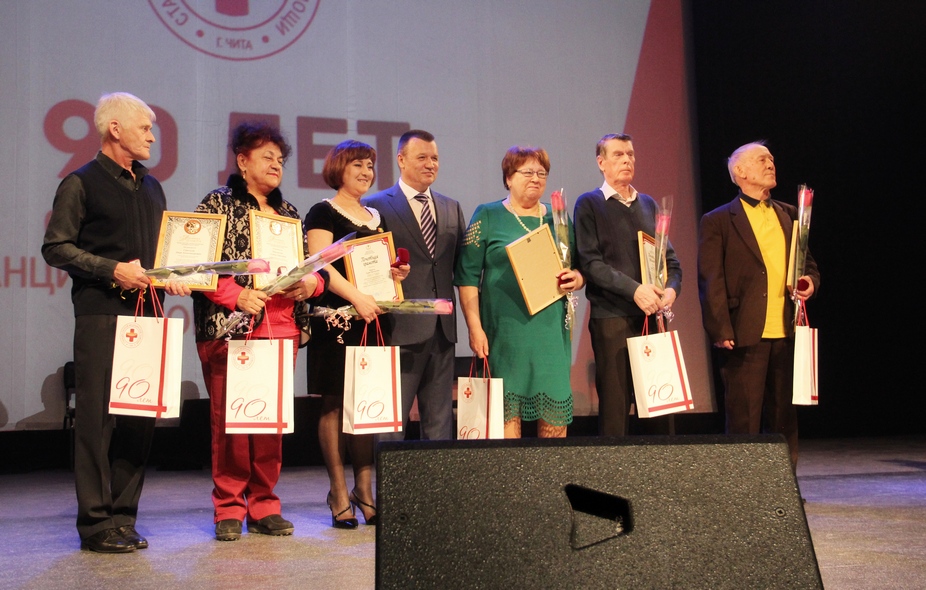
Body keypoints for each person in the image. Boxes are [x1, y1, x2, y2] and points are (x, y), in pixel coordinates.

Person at [42, 92, 190, 553]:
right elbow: (56, 247)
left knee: (138, 417)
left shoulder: (152, 186)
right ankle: (95, 523)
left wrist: (173, 276)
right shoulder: (80, 182)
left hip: (147, 313)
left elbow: (159, 253)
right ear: (114, 129)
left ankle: (124, 517)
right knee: (97, 420)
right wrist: (112, 269)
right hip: (101, 312)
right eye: (145, 127)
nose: (152, 136)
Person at [192, 122, 328, 541]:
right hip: (231, 330)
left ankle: (265, 504)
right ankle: (229, 507)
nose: (276, 165)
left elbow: (309, 269)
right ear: (242, 160)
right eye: (267, 157)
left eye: (280, 159)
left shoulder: (289, 214)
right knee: (232, 426)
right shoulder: (217, 203)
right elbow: (196, 264)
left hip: (281, 329)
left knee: (270, 425)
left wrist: (311, 284)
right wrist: (237, 296)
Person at [304, 140, 409, 527]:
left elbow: (380, 266)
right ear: (339, 169)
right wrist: (357, 298)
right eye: (357, 165)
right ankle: (337, 491)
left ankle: (364, 490)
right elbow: (320, 265)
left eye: (369, 165)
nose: (366, 172)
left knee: (365, 406)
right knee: (334, 404)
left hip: (373, 319)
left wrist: (396, 274)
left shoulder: (376, 216)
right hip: (336, 319)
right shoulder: (322, 211)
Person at [697, 141, 819, 466]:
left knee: (784, 419)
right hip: (743, 333)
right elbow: (711, 279)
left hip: (786, 332)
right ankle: (742, 488)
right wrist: (720, 328)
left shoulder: (789, 214)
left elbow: (807, 265)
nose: (770, 164)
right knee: (744, 419)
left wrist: (809, 282)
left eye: (772, 159)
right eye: (762, 159)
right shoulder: (718, 220)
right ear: (740, 172)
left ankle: (784, 485)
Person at [455, 146, 583, 438]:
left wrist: (576, 278)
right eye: (527, 172)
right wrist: (474, 327)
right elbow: (467, 277)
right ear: (508, 178)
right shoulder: (487, 215)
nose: (536, 178)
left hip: (550, 336)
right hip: (505, 336)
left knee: (554, 425)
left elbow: (578, 268)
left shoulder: (558, 218)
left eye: (542, 173)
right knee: (505, 429)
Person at [574, 133, 682, 437]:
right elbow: (591, 263)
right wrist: (635, 290)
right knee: (615, 410)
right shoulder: (589, 203)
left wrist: (671, 290)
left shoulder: (648, 204)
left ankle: (661, 467)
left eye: (630, 154)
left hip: (652, 318)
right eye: (618, 155)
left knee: (661, 408)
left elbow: (671, 262)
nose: (627, 160)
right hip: (612, 319)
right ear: (601, 162)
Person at [363, 130, 466, 441]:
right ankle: (390, 476)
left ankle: (436, 476)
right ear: (401, 160)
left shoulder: (451, 207)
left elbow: (460, 266)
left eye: (435, 158)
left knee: (439, 424)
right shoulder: (375, 206)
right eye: (422, 157)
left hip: (442, 331)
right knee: (391, 423)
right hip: (399, 329)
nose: (430, 164)